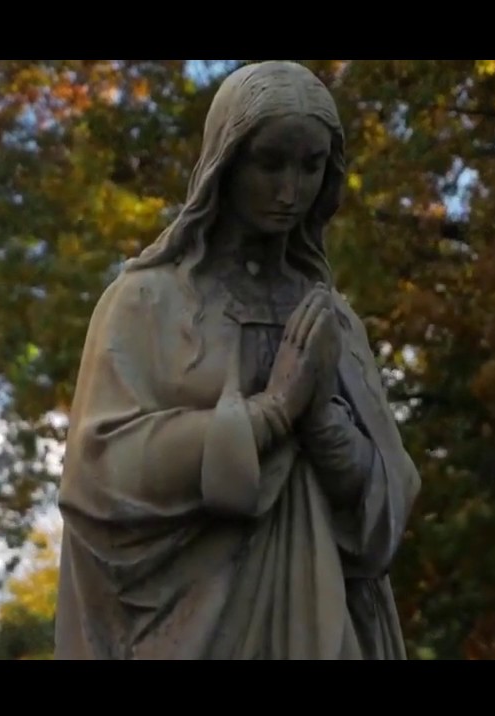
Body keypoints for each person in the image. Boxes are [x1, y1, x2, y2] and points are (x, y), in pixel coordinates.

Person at [53, 61, 421, 660]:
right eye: (269, 162)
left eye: (311, 167)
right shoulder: (148, 302)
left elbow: (385, 501)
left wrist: (323, 424)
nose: (289, 191)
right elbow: (100, 474)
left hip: (328, 623)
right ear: (225, 163)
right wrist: (271, 413)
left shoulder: (332, 319)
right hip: (192, 626)